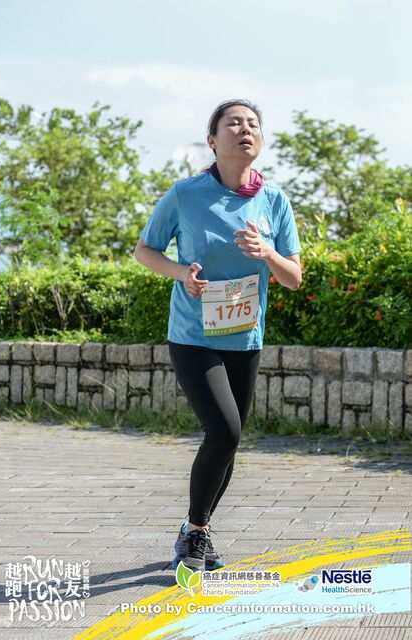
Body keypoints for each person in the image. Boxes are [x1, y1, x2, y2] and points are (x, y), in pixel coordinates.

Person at [134, 98, 302, 573]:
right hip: (194, 334)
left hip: (244, 337)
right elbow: (145, 250)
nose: (245, 129)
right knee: (224, 431)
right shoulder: (185, 194)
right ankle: (194, 532)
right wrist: (180, 273)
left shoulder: (274, 201)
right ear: (212, 140)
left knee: (230, 441)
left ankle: (199, 530)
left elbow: (293, 277)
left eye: (253, 124)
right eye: (234, 123)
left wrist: (268, 253)